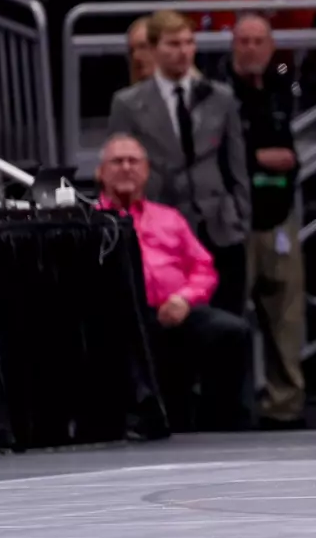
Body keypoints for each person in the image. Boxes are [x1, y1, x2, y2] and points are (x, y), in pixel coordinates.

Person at [96, 133, 255, 431]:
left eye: (134, 161)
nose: (126, 167)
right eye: (117, 161)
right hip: (125, 316)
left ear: (146, 170)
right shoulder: (91, 221)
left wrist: (184, 298)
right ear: (100, 172)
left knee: (233, 332)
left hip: (177, 310)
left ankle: (227, 427)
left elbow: (204, 268)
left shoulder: (168, 217)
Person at [106, 9, 251, 316]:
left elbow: (236, 167)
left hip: (221, 228)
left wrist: (240, 218)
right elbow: (118, 169)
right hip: (162, 233)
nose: (183, 51)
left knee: (229, 325)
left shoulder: (220, 97)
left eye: (188, 43)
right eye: (173, 44)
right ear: (155, 48)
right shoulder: (128, 103)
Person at [229, 14, 306, 429]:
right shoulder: (220, 93)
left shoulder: (280, 89)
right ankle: (234, 403)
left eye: (260, 40)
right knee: (235, 315)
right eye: (245, 40)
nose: (253, 48)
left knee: (286, 316)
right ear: (233, 45)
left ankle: (285, 404)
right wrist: (258, 158)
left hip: (280, 216)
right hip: (237, 219)